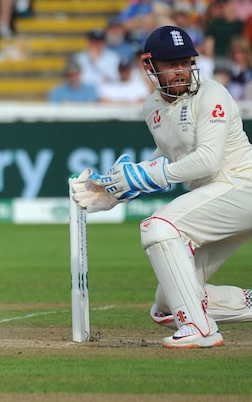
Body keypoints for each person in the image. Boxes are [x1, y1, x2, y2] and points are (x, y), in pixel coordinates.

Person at [71, 25, 252, 349]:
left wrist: (143, 178)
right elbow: (170, 155)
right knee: (169, 303)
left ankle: (200, 329)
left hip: (241, 184)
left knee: (158, 228)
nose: (181, 70)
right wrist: (114, 191)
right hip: (213, 198)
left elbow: (208, 160)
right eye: (171, 64)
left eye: (185, 62)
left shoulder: (211, 93)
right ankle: (241, 302)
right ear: (149, 65)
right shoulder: (152, 108)